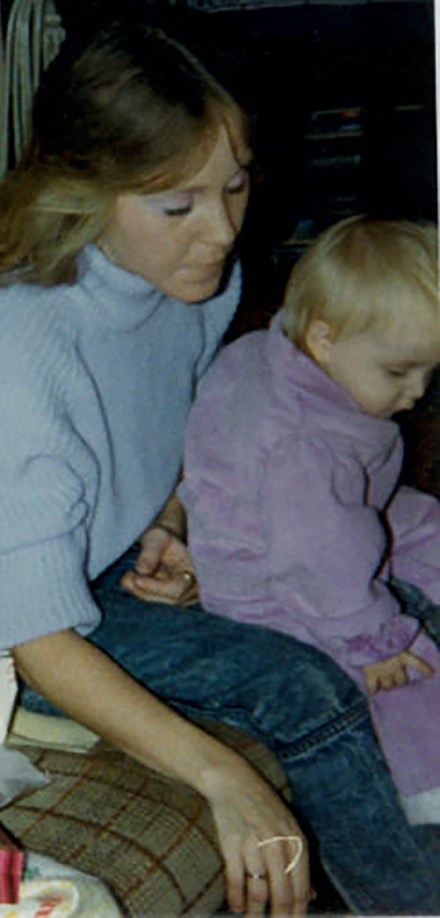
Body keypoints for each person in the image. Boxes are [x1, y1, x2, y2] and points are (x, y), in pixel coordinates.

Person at [0, 21, 440, 916]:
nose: (222, 231)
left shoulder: (189, 280)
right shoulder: (13, 344)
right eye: (177, 205)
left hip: (110, 556)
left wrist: (177, 522)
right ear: (84, 192)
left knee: (400, 598)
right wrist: (222, 777)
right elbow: (32, 629)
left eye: (234, 185)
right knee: (303, 684)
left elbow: (197, 435)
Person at [181, 216, 440, 825]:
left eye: (429, 373)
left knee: (423, 520)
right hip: (275, 582)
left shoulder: (279, 351)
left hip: (325, 514)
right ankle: (425, 794)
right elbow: (319, 559)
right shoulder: (306, 447)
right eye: (399, 372)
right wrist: (373, 637)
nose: (417, 393)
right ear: (323, 338)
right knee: (409, 674)